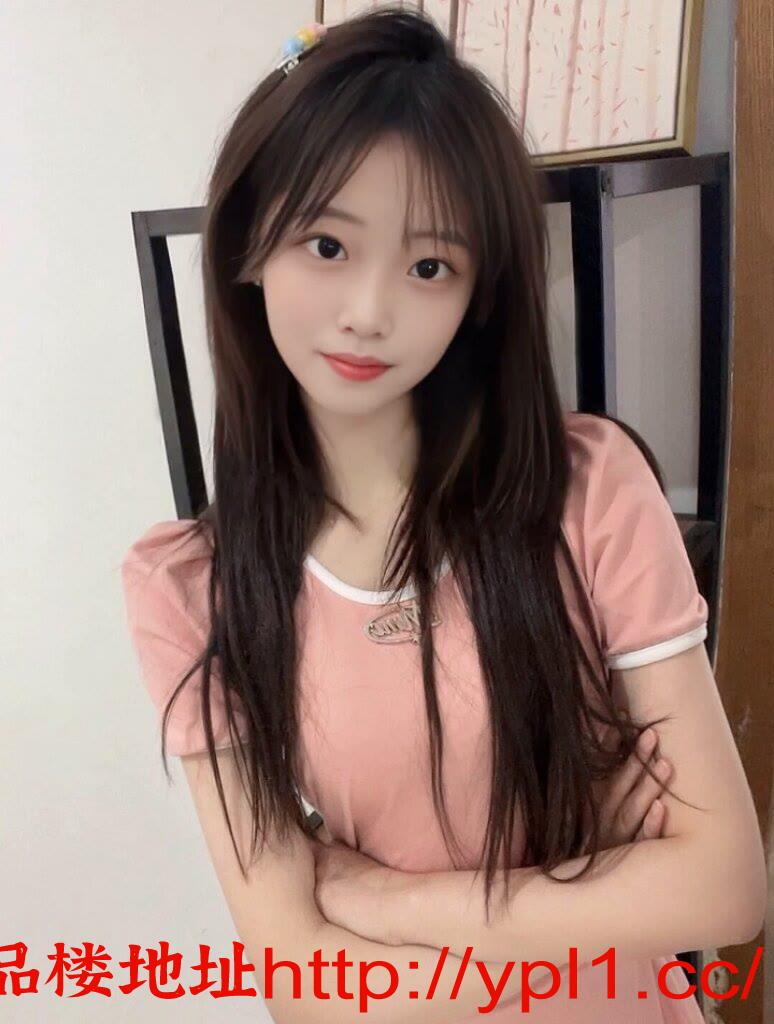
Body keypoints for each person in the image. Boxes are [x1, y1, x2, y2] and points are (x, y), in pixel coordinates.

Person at [119, 8, 765, 1022]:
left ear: (477, 294)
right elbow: (304, 990)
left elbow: (722, 889)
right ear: (247, 244)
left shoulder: (587, 490)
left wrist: (385, 900)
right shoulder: (192, 584)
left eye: (429, 266)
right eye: (328, 244)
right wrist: (603, 900)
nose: (369, 310)